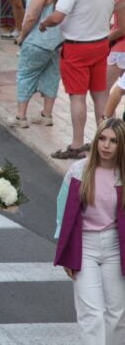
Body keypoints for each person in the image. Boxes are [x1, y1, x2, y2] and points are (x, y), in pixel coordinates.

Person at [40, 0, 125, 159]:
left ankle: (77, 144)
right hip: (100, 45)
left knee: (77, 97)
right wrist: (113, 6)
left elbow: (59, 16)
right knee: (100, 96)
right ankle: (106, 141)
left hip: (77, 48)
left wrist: (44, 23)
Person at [54, 119, 125, 345]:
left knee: (118, 315)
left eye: (113, 141)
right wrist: (64, 249)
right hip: (85, 246)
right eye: (102, 139)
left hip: (116, 246)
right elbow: (61, 210)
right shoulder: (78, 170)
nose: (106, 145)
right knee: (91, 315)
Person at [9, 0, 70, 128]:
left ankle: (21, 116)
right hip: (59, 42)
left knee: (26, 75)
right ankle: (46, 114)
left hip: (39, 38)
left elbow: (32, 15)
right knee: (52, 75)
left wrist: (22, 36)